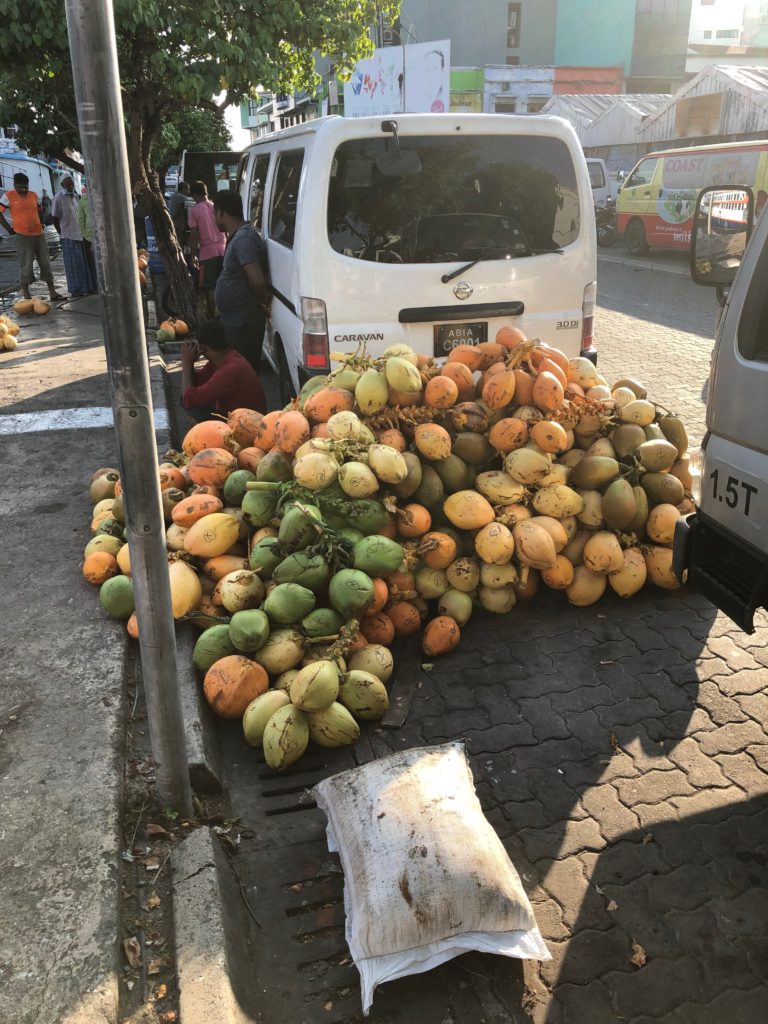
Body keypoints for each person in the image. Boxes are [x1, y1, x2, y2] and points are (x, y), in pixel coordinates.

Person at [213, 190, 270, 370]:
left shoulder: (244, 238)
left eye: (215, 213)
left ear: (221, 212)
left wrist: (266, 303)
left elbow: (258, 281)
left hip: (244, 324)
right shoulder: (239, 236)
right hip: (236, 322)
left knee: (242, 373)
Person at [181, 318, 266, 421]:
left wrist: (185, 363)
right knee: (190, 401)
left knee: (195, 411)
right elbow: (196, 384)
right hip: (238, 417)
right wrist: (190, 364)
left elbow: (188, 400)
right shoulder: (223, 359)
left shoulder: (229, 370)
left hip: (248, 425)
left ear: (203, 347)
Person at [0, 173, 65, 301]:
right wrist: (8, 228)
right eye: (20, 187)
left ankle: (52, 292)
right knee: (26, 265)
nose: (23, 190)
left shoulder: (34, 195)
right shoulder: (8, 196)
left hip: (39, 234)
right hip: (22, 236)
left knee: (46, 263)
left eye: (25, 187)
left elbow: (39, 210)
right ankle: (26, 294)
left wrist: (41, 223)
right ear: (14, 185)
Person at [52, 175, 97, 296]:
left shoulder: (76, 196)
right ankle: (77, 290)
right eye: (68, 184)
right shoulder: (58, 197)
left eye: (71, 184)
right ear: (62, 185)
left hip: (80, 234)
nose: (71, 186)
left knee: (84, 263)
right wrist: (61, 233)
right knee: (74, 266)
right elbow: (55, 218)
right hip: (68, 235)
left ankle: (87, 287)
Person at [188, 180, 226, 318]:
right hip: (223, 250)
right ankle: (224, 317)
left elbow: (194, 236)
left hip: (207, 254)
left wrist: (193, 255)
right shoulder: (216, 206)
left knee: (208, 287)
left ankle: (211, 318)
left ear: (194, 195)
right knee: (223, 286)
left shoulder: (194, 211)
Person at [77, 185, 97, 286]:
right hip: (89, 237)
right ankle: (96, 285)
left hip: (103, 236)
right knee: (93, 263)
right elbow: (81, 220)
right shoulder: (83, 200)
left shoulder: (100, 196)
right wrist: (86, 235)